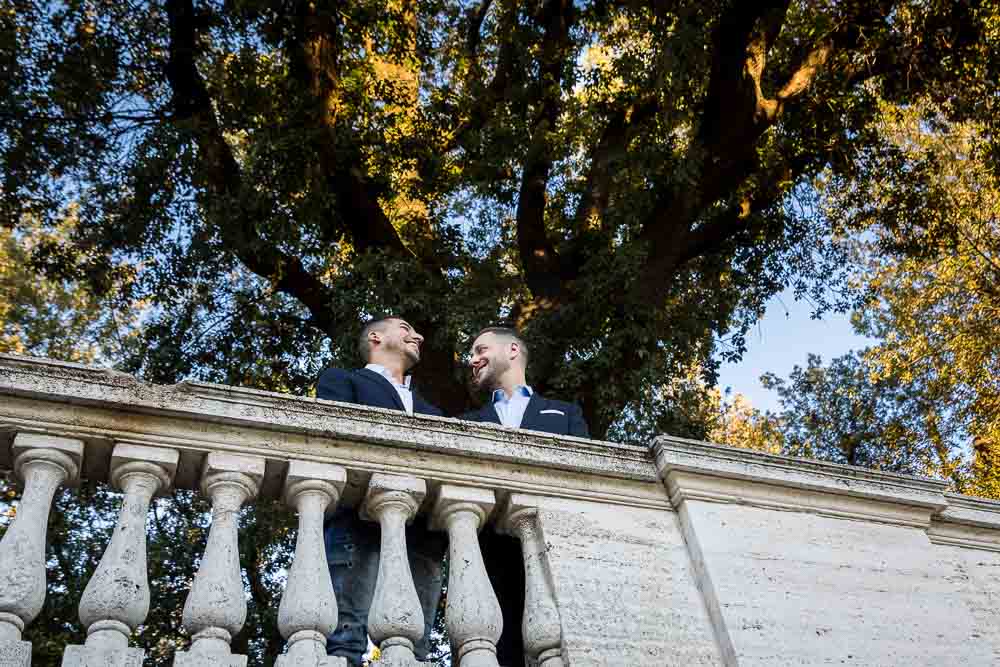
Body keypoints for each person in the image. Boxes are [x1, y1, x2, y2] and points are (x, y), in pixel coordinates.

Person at [316, 316, 446, 666]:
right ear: (376, 337)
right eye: (405, 328)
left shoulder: (434, 412)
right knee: (343, 640)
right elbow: (332, 441)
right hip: (356, 526)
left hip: (420, 538)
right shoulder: (342, 381)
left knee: (414, 649)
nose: (417, 335)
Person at [461, 326, 589, 666]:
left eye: (480, 349)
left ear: (513, 350)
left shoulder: (565, 413)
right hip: (491, 561)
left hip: (560, 553)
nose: (472, 360)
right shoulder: (466, 422)